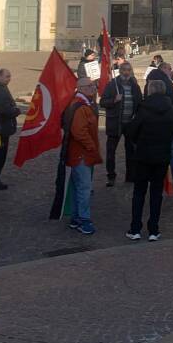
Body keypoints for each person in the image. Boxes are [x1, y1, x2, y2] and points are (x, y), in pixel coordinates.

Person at [126, 79, 173, 241]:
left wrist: (138, 140)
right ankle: (153, 230)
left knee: (139, 192)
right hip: (162, 155)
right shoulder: (171, 109)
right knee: (156, 193)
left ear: (149, 90)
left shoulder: (143, 108)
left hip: (143, 155)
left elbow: (132, 131)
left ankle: (135, 228)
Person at [62, 77, 102, 235]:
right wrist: (91, 146)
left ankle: (76, 217)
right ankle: (83, 219)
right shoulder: (80, 106)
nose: (94, 88)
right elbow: (79, 132)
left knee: (78, 186)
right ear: (82, 88)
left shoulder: (83, 104)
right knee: (84, 187)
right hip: (81, 154)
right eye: (91, 86)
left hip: (80, 153)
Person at [147, 62, 173, 191]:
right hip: (168, 123)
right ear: (163, 69)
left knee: (156, 152)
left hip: (152, 124)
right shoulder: (164, 81)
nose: (171, 71)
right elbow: (172, 100)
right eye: (170, 69)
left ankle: (157, 180)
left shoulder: (150, 80)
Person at [100, 61, 142, 187]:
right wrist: (114, 100)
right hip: (116, 123)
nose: (126, 72)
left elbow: (139, 102)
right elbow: (103, 102)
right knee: (111, 151)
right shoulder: (112, 85)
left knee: (131, 151)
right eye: (124, 70)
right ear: (120, 71)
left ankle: (131, 176)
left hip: (130, 124)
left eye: (129, 70)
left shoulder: (134, 85)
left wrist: (137, 116)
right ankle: (111, 176)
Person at [0, 69, 20, 190]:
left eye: (10, 76)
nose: (9, 79)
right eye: (7, 76)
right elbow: (4, 110)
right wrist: (16, 111)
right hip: (0, 131)